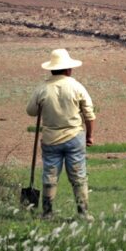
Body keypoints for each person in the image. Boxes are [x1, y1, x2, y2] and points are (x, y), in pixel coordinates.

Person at [26, 48, 96, 219]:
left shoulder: (42, 88)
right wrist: (89, 136)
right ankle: (83, 213)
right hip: (74, 138)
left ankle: (47, 213)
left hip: (50, 139)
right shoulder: (76, 86)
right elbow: (89, 114)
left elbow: (31, 112)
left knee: (50, 175)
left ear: (51, 68)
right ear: (68, 69)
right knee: (78, 176)